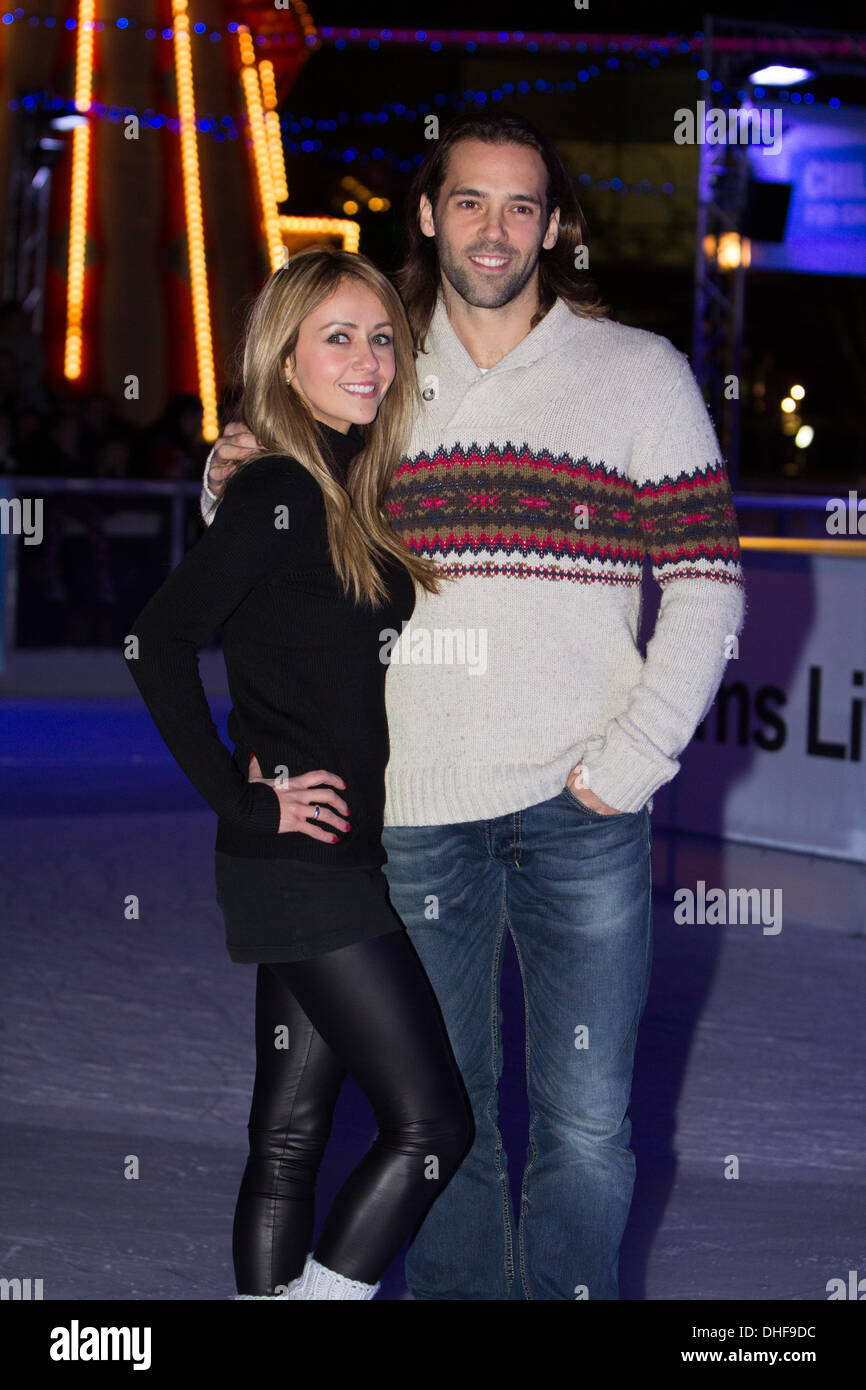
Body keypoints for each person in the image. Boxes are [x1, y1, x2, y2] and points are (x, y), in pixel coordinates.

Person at [202, 112, 747, 1300]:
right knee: (450, 1126)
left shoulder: (636, 374)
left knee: (586, 1131)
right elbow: (284, 526)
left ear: (554, 226)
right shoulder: (379, 378)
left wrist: (630, 761)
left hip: (582, 808)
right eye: (467, 202)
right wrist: (228, 476)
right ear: (427, 215)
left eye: (518, 207)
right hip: (411, 811)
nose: (492, 230)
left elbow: (704, 583)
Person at [126, 248, 473, 1300]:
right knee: (431, 1124)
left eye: (380, 338)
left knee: (289, 1132)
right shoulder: (281, 485)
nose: (368, 359)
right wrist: (243, 799)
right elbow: (157, 641)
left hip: (325, 854)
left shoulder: (326, 486)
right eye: (338, 337)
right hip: (299, 856)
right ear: (281, 358)